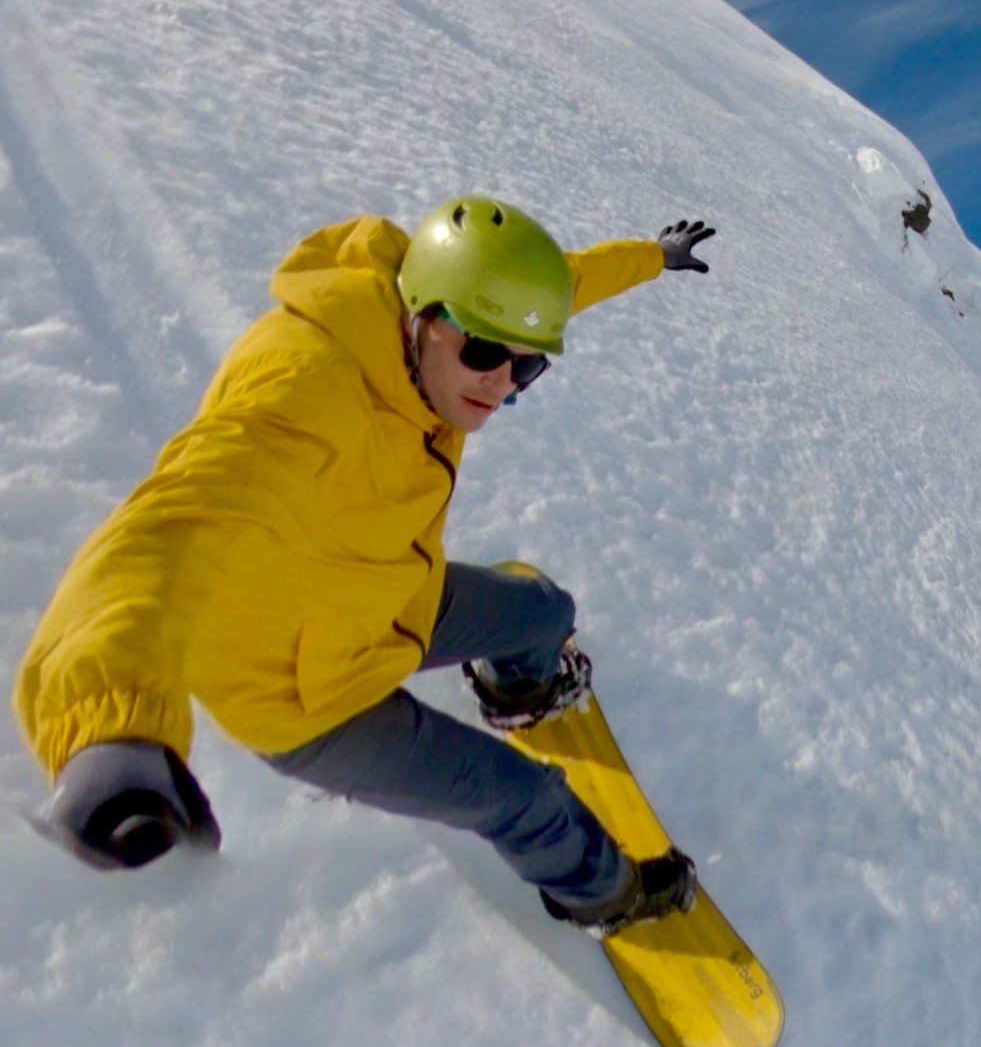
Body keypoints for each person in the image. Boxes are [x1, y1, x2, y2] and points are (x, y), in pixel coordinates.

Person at [15, 197, 717, 935]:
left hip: (384, 591)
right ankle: (602, 894)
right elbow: (165, 531)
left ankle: (523, 688)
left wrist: (652, 256)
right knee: (529, 801)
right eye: (484, 353)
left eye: (529, 365)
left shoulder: (449, 316)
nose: (501, 383)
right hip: (308, 695)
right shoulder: (307, 391)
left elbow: (564, 283)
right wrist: (107, 729)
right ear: (424, 313)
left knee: (545, 610)